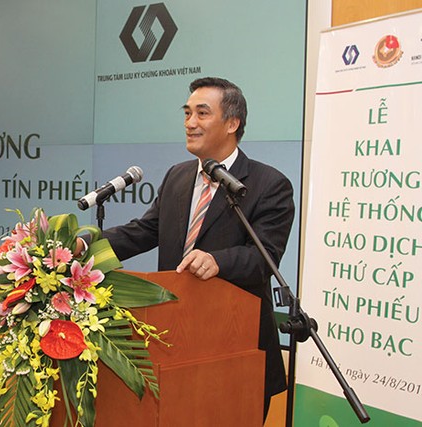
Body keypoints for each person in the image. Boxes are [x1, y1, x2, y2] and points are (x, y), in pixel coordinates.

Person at [84, 77, 294, 422]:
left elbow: (263, 258)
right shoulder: (178, 176)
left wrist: (217, 261)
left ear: (232, 123)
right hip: (173, 342)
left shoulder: (268, 184)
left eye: (202, 113)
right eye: (187, 113)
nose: (190, 123)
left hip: (235, 347)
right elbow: (146, 230)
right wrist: (85, 247)